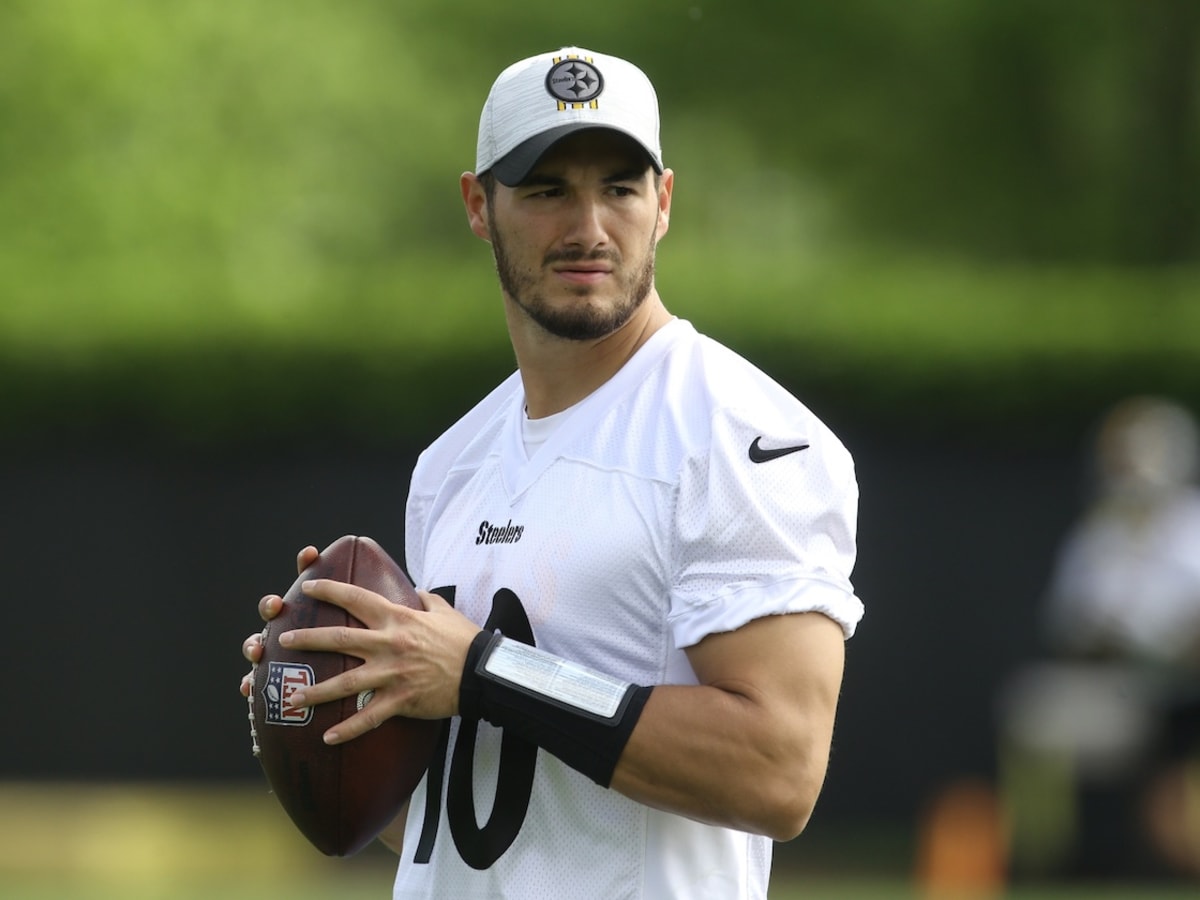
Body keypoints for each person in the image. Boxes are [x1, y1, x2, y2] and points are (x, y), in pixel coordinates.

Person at [240, 46, 864, 899]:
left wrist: (480, 671)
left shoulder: (741, 437)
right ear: (478, 205)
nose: (588, 229)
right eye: (545, 190)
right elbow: (468, 822)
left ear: (665, 201)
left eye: (619, 186)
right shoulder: (452, 460)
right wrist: (337, 707)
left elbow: (778, 771)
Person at [998, 396, 1200, 880]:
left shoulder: (1193, 525)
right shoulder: (1098, 536)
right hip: (1121, 685)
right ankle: (1045, 855)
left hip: (1187, 688)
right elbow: (1068, 624)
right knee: (1034, 709)